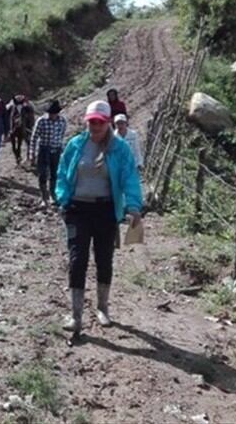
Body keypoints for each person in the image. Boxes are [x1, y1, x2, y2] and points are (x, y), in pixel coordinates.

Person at [55, 100, 142, 342]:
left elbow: (130, 178)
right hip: (77, 209)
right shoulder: (76, 145)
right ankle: (76, 316)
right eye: (91, 122)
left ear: (108, 123)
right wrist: (63, 199)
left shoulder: (119, 148)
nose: (95, 126)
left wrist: (133, 205)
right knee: (77, 260)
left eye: (100, 122)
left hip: (105, 210)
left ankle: (102, 307)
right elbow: (62, 174)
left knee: (104, 259)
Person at [29, 100, 67, 207]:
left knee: (54, 174)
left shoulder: (62, 121)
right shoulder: (41, 121)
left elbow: (61, 136)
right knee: (43, 174)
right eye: (51, 113)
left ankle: (52, 195)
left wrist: (62, 150)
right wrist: (32, 153)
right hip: (44, 149)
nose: (52, 115)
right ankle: (43, 197)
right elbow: (34, 138)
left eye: (54, 113)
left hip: (56, 149)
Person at [6, 94, 35, 165]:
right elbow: (9, 117)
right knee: (13, 144)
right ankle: (17, 155)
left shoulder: (27, 107)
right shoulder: (11, 106)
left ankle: (26, 157)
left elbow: (31, 116)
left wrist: (29, 125)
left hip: (23, 126)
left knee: (22, 142)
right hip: (13, 126)